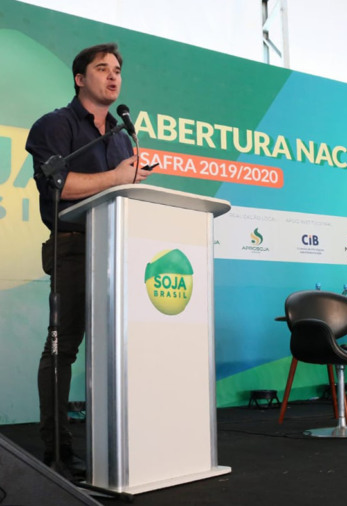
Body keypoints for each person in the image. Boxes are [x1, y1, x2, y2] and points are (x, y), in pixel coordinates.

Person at [26, 43, 152, 477]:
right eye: (102, 69)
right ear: (80, 78)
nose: (113, 76)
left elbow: (120, 191)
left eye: (117, 70)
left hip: (118, 247)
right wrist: (117, 177)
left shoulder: (120, 137)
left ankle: (119, 443)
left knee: (119, 349)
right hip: (75, 246)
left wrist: (134, 184)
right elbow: (57, 184)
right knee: (64, 350)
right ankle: (57, 450)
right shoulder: (55, 126)